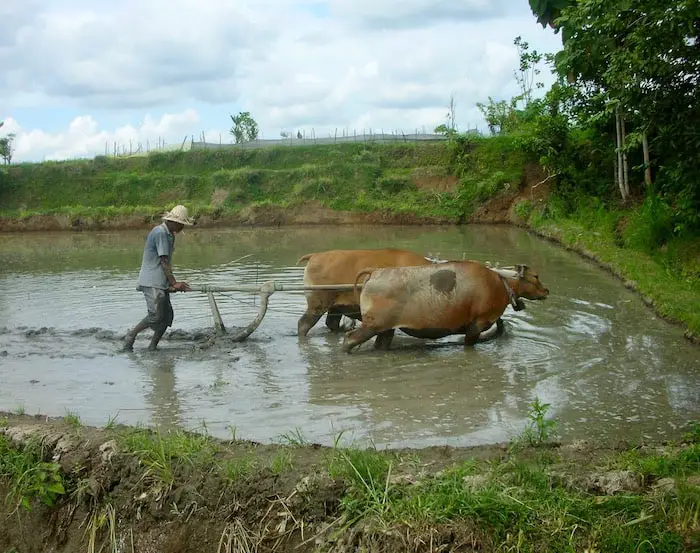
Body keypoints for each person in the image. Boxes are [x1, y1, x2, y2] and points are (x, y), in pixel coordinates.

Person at [123, 205, 194, 351]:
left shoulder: (169, 234)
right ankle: (132, 334)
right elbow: (164, 261)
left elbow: (166, 262)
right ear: (175, 222)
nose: (182, 228)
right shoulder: (160, 233)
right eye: (182, 224)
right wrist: (174, 283)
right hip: (151, 281)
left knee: (167, 316)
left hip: (161, 281)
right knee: (156, 315)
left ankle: (153, 346)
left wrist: (170, 284)